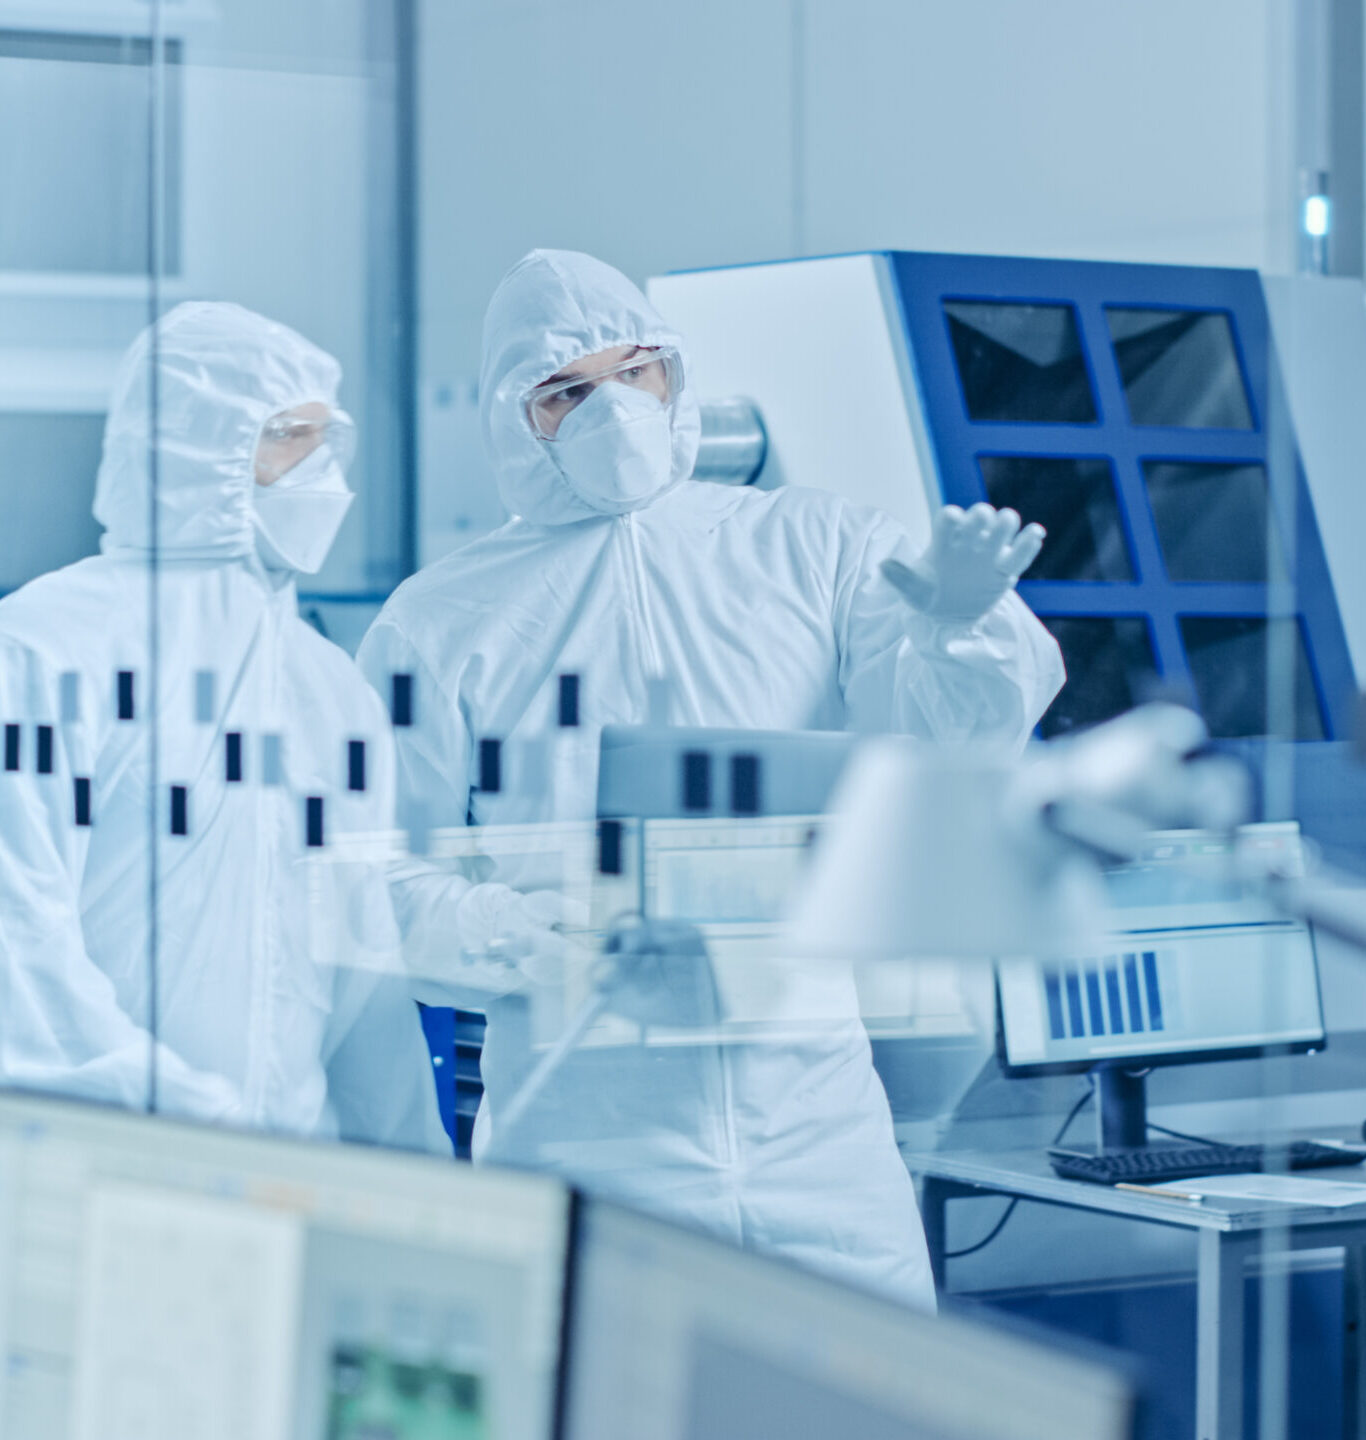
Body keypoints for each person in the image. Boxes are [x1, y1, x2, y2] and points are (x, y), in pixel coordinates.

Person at [357, 250, 1064, 1309]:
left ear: (674, 377)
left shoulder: (814, 546)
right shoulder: (440, 620)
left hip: (816, 1132)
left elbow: (944, 749)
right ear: (516, 420)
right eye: (565, 392)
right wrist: (523, 933)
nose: (612, 410)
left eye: (633, 371)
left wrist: (959, 633)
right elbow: (372, 875)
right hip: (586, 1133)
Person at [0, 301, 446, 1162]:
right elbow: (13, 954)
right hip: (93, 1172)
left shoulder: (329, 688)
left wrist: (410, 1178)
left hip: (289, 1185)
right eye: (287, 436)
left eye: (327, 439)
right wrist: (189, 1122)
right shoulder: (36, 652)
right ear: (195, 447)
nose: (321, 472)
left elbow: (365, 972)